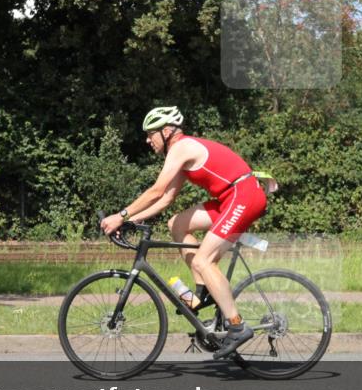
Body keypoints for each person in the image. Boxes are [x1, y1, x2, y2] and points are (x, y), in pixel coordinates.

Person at [99, 106, 268, 359]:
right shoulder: (178, 154)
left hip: (243, 195)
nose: (147, 140)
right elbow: (165, 200)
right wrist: (130, 220)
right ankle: (202, 293)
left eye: (150, 134)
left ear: (166, 131)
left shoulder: (182, 147)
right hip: (229, 198)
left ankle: (237, 325)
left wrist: (120, 216)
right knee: (176, 224)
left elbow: (155, 191)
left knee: (204, 260)